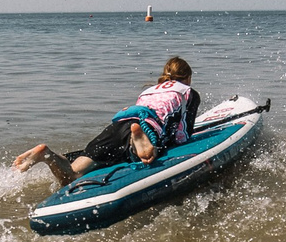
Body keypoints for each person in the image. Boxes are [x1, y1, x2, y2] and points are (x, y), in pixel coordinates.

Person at [14, 57, 203, 186]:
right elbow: (183, 133)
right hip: (147, 126)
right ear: (188, 78)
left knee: (72, 174)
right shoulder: (188, 92)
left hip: (118, 124)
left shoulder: (149, 90)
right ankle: (138, 143)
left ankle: (47, 155)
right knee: (150, 153)